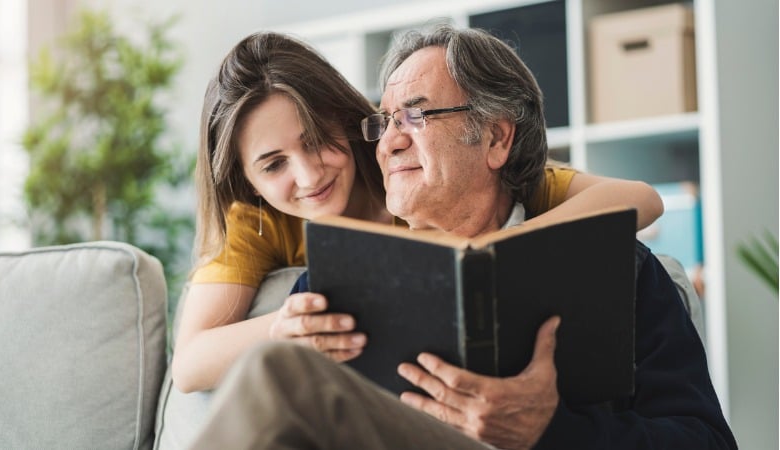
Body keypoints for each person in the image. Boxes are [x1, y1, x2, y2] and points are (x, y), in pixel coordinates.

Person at [187, 25, 737, 450]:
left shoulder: (624, 271)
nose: (389, 143)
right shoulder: (332, 283)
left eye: (416, 117)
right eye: (382, 123)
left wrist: (551, 429)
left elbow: (707, 443)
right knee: (277, 370)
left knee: (272, 373)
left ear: (496, 137)